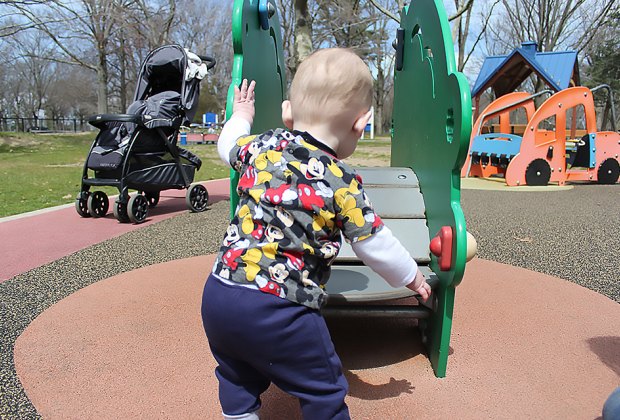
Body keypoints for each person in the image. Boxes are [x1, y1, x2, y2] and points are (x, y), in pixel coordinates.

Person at [201, 48, 431, 420]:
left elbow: (226, 145)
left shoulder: (262, 148)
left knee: (236, 374)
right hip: (280, 308)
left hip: (220, 293)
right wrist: (412, 276)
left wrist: (242, 116)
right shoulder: (341, 181)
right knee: (323, 388)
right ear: (361, 124)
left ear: (288, 113)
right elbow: (375, 244)